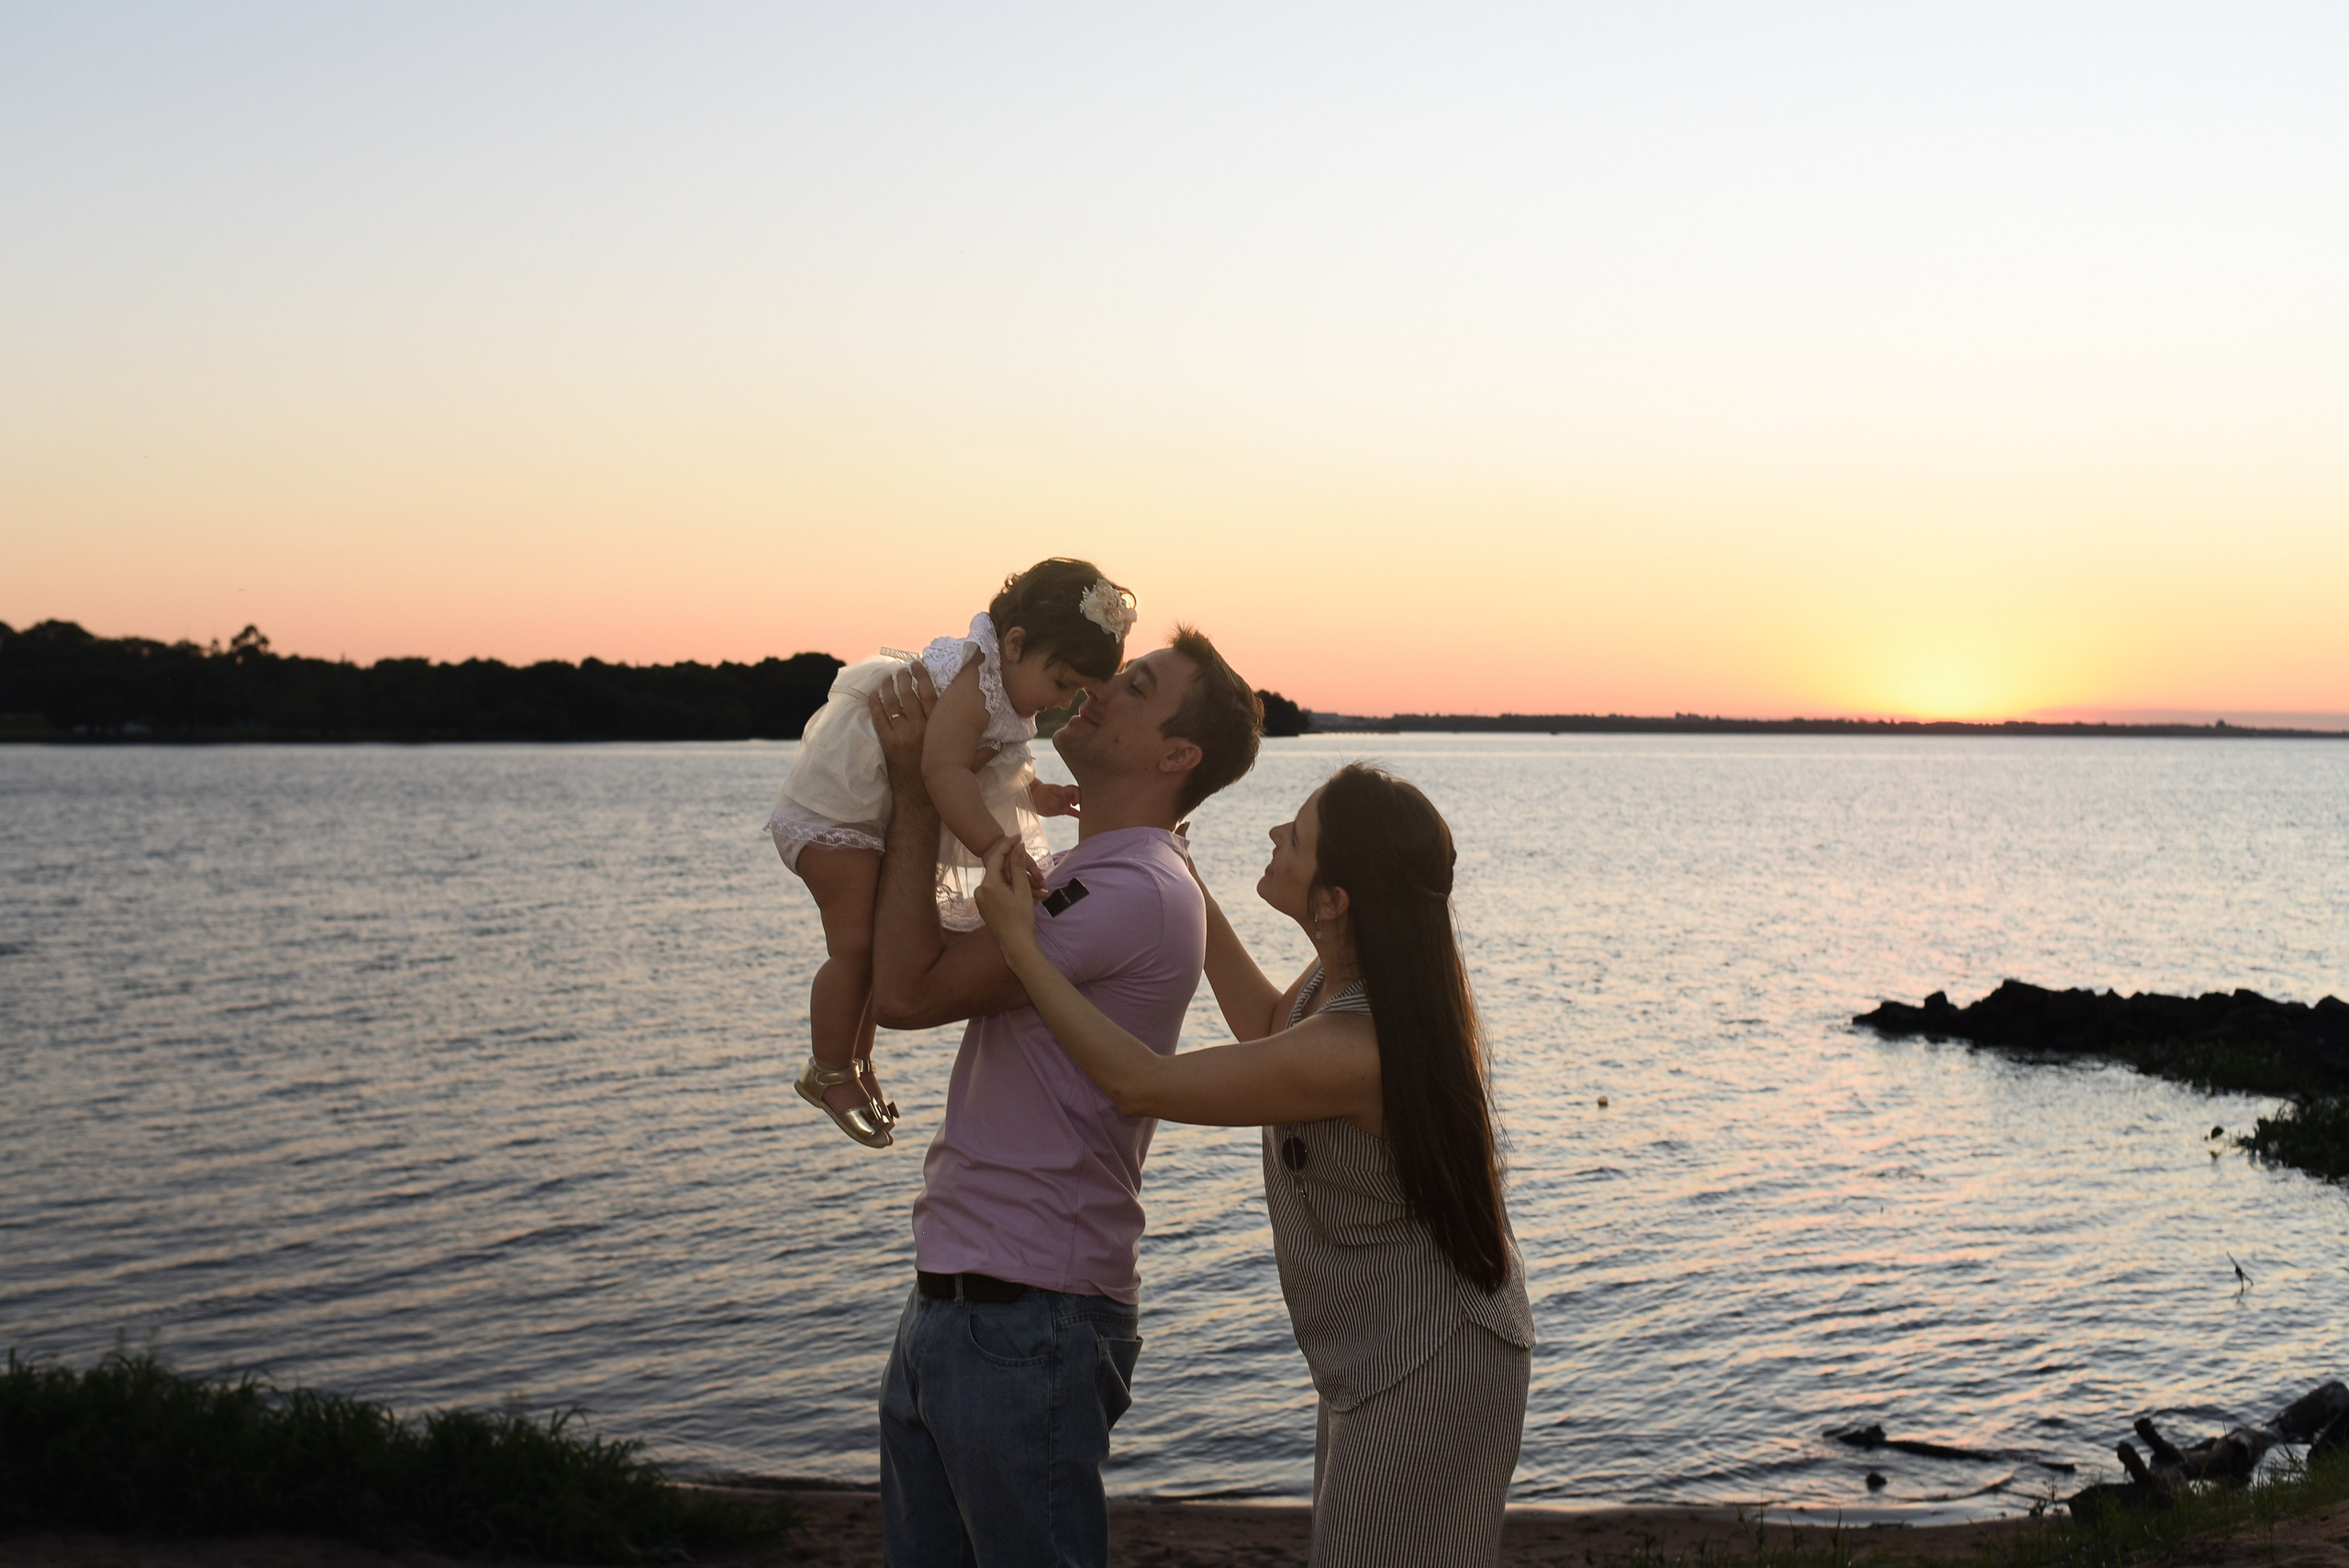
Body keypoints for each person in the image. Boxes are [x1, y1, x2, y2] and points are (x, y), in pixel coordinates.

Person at [972, 762, 1535, 1568]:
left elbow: (1140, 1082)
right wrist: (1184, 876)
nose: (1275, 835)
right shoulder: (1344, 983)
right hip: (1384, 1348)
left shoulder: (1355, 1046)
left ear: (1335, 901)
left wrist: (1024, 949)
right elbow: (1269, 1024)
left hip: (1432, 1357)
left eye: (1296, 836)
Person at [861, 627, 1264, 1568]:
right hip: (967, 1302)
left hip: (1025, 1317)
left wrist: (922, 784)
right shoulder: (1090, 870)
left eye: (1137, 686)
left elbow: (908, 991)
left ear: (1176, 755)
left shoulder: (1126, 889)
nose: (1099, 688)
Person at [766, 558, 1136, 1148]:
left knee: (875, 945)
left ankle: (856, 1067)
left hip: (874, 814)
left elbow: (997, 774)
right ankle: (828, 1070)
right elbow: (941, 770)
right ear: (1014, 644)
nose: (1066, 701)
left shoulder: (1011, 693)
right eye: (1064, 682)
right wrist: (994, 846)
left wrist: (1042, 796)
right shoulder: (976, 679)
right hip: (841, 811)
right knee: (856, 946)